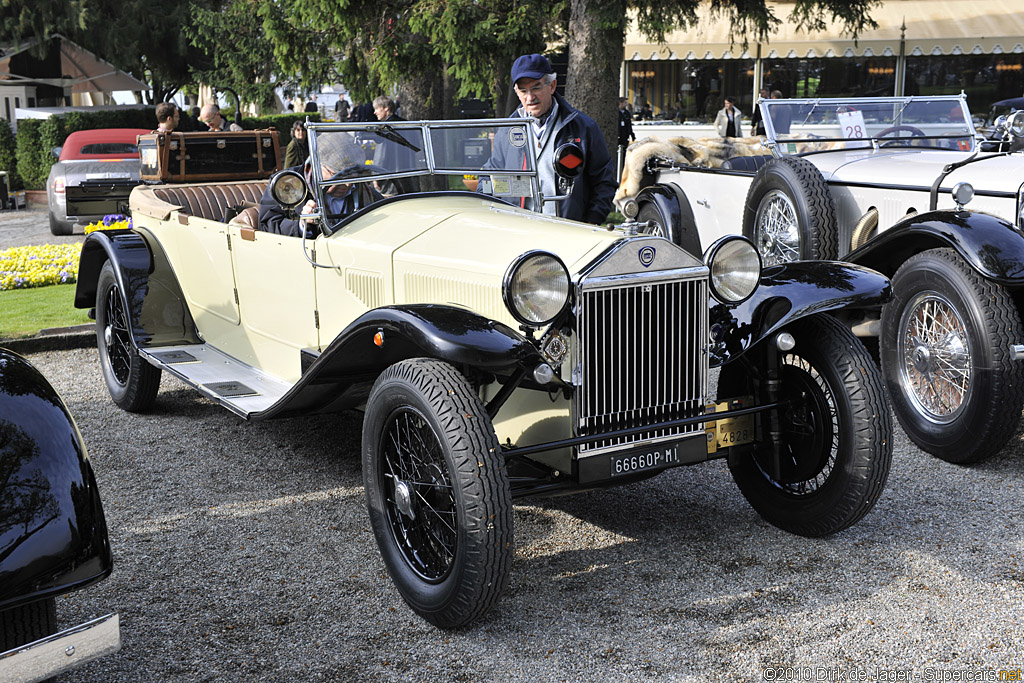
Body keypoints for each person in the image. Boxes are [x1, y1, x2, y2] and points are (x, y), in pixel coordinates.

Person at [483, 53, 615, 224]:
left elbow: (604, 180)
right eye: (523, 90)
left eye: (536, 87)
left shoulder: (584, 128)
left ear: (552, 86)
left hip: (569, 232)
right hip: (519, 231)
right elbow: (489, 176)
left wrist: (592, 221)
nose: (530, 97)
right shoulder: (506, 132)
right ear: (516, 92)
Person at [258, 132, 382, 238]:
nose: (348, 184)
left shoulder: (365, 192)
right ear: (317, 165)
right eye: (337, 174)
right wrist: (302, 225)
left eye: (352, 175)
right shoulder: (286, 184)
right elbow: (267, 224)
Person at [371, 95, 420, 195]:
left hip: (392, 183)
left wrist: (376, 177)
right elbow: (417, 148)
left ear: (386, 108)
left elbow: (381, 156)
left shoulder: (384, 129)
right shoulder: (407, 125)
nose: (374, 112)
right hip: (411, 178)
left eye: (376, 108)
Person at [617, 96, 635, 171]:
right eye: (625, 103)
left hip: (625, 135)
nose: (626, 104)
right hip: (619, 135)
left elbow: (629, 124)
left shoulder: (626, 113)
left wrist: (631, 134)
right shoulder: (617, 113)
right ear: (620, 103)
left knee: (624, 151)